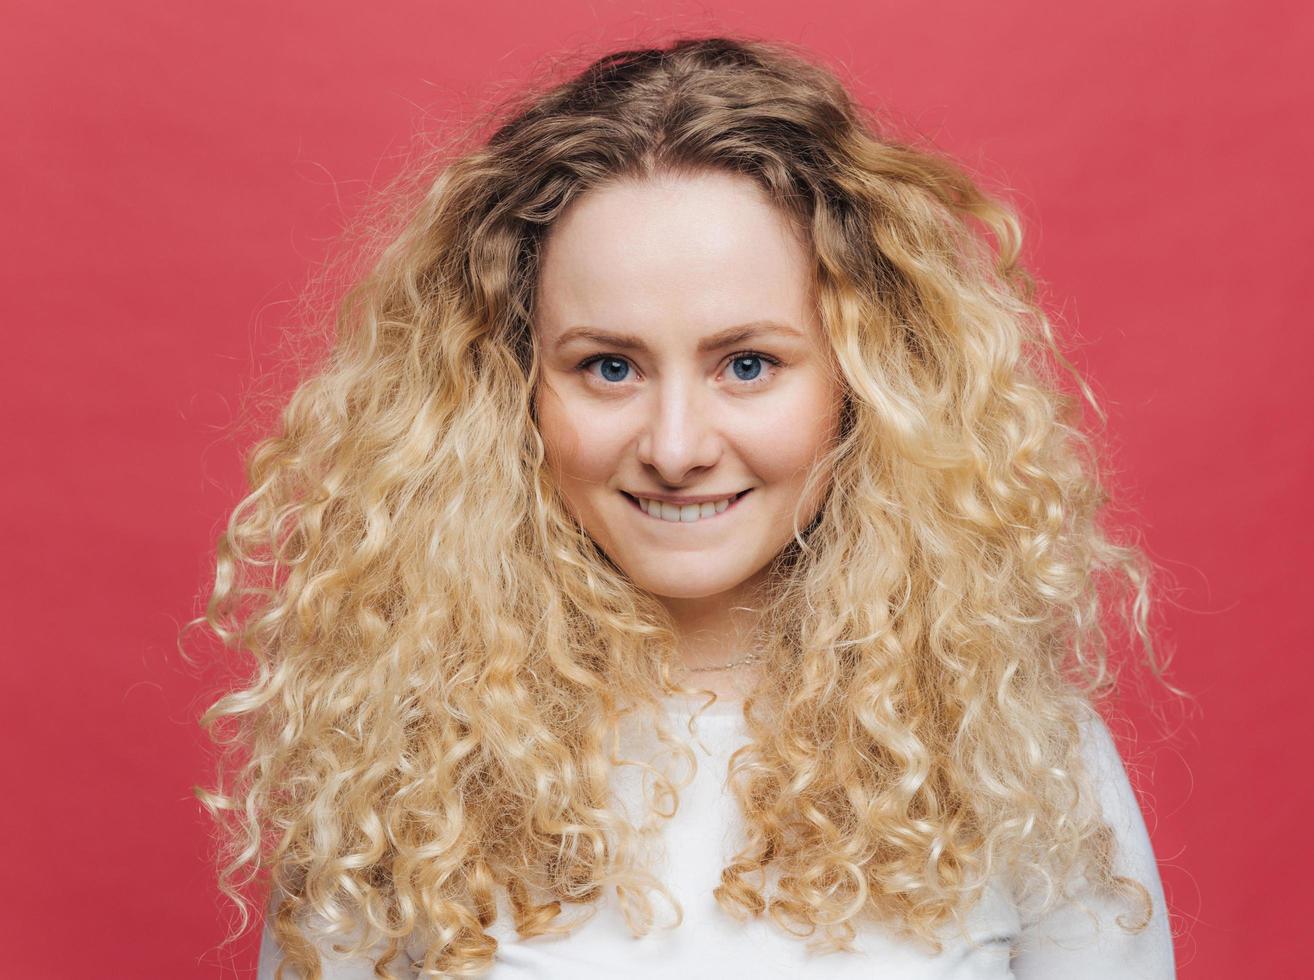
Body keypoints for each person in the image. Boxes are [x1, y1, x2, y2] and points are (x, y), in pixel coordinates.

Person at [193, 34, 1182, 979]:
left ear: (867, 379)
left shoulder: (1014, 752)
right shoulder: (404, 770)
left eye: (747, 364)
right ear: (511, 386)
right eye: (609, 366)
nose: (675, 446)